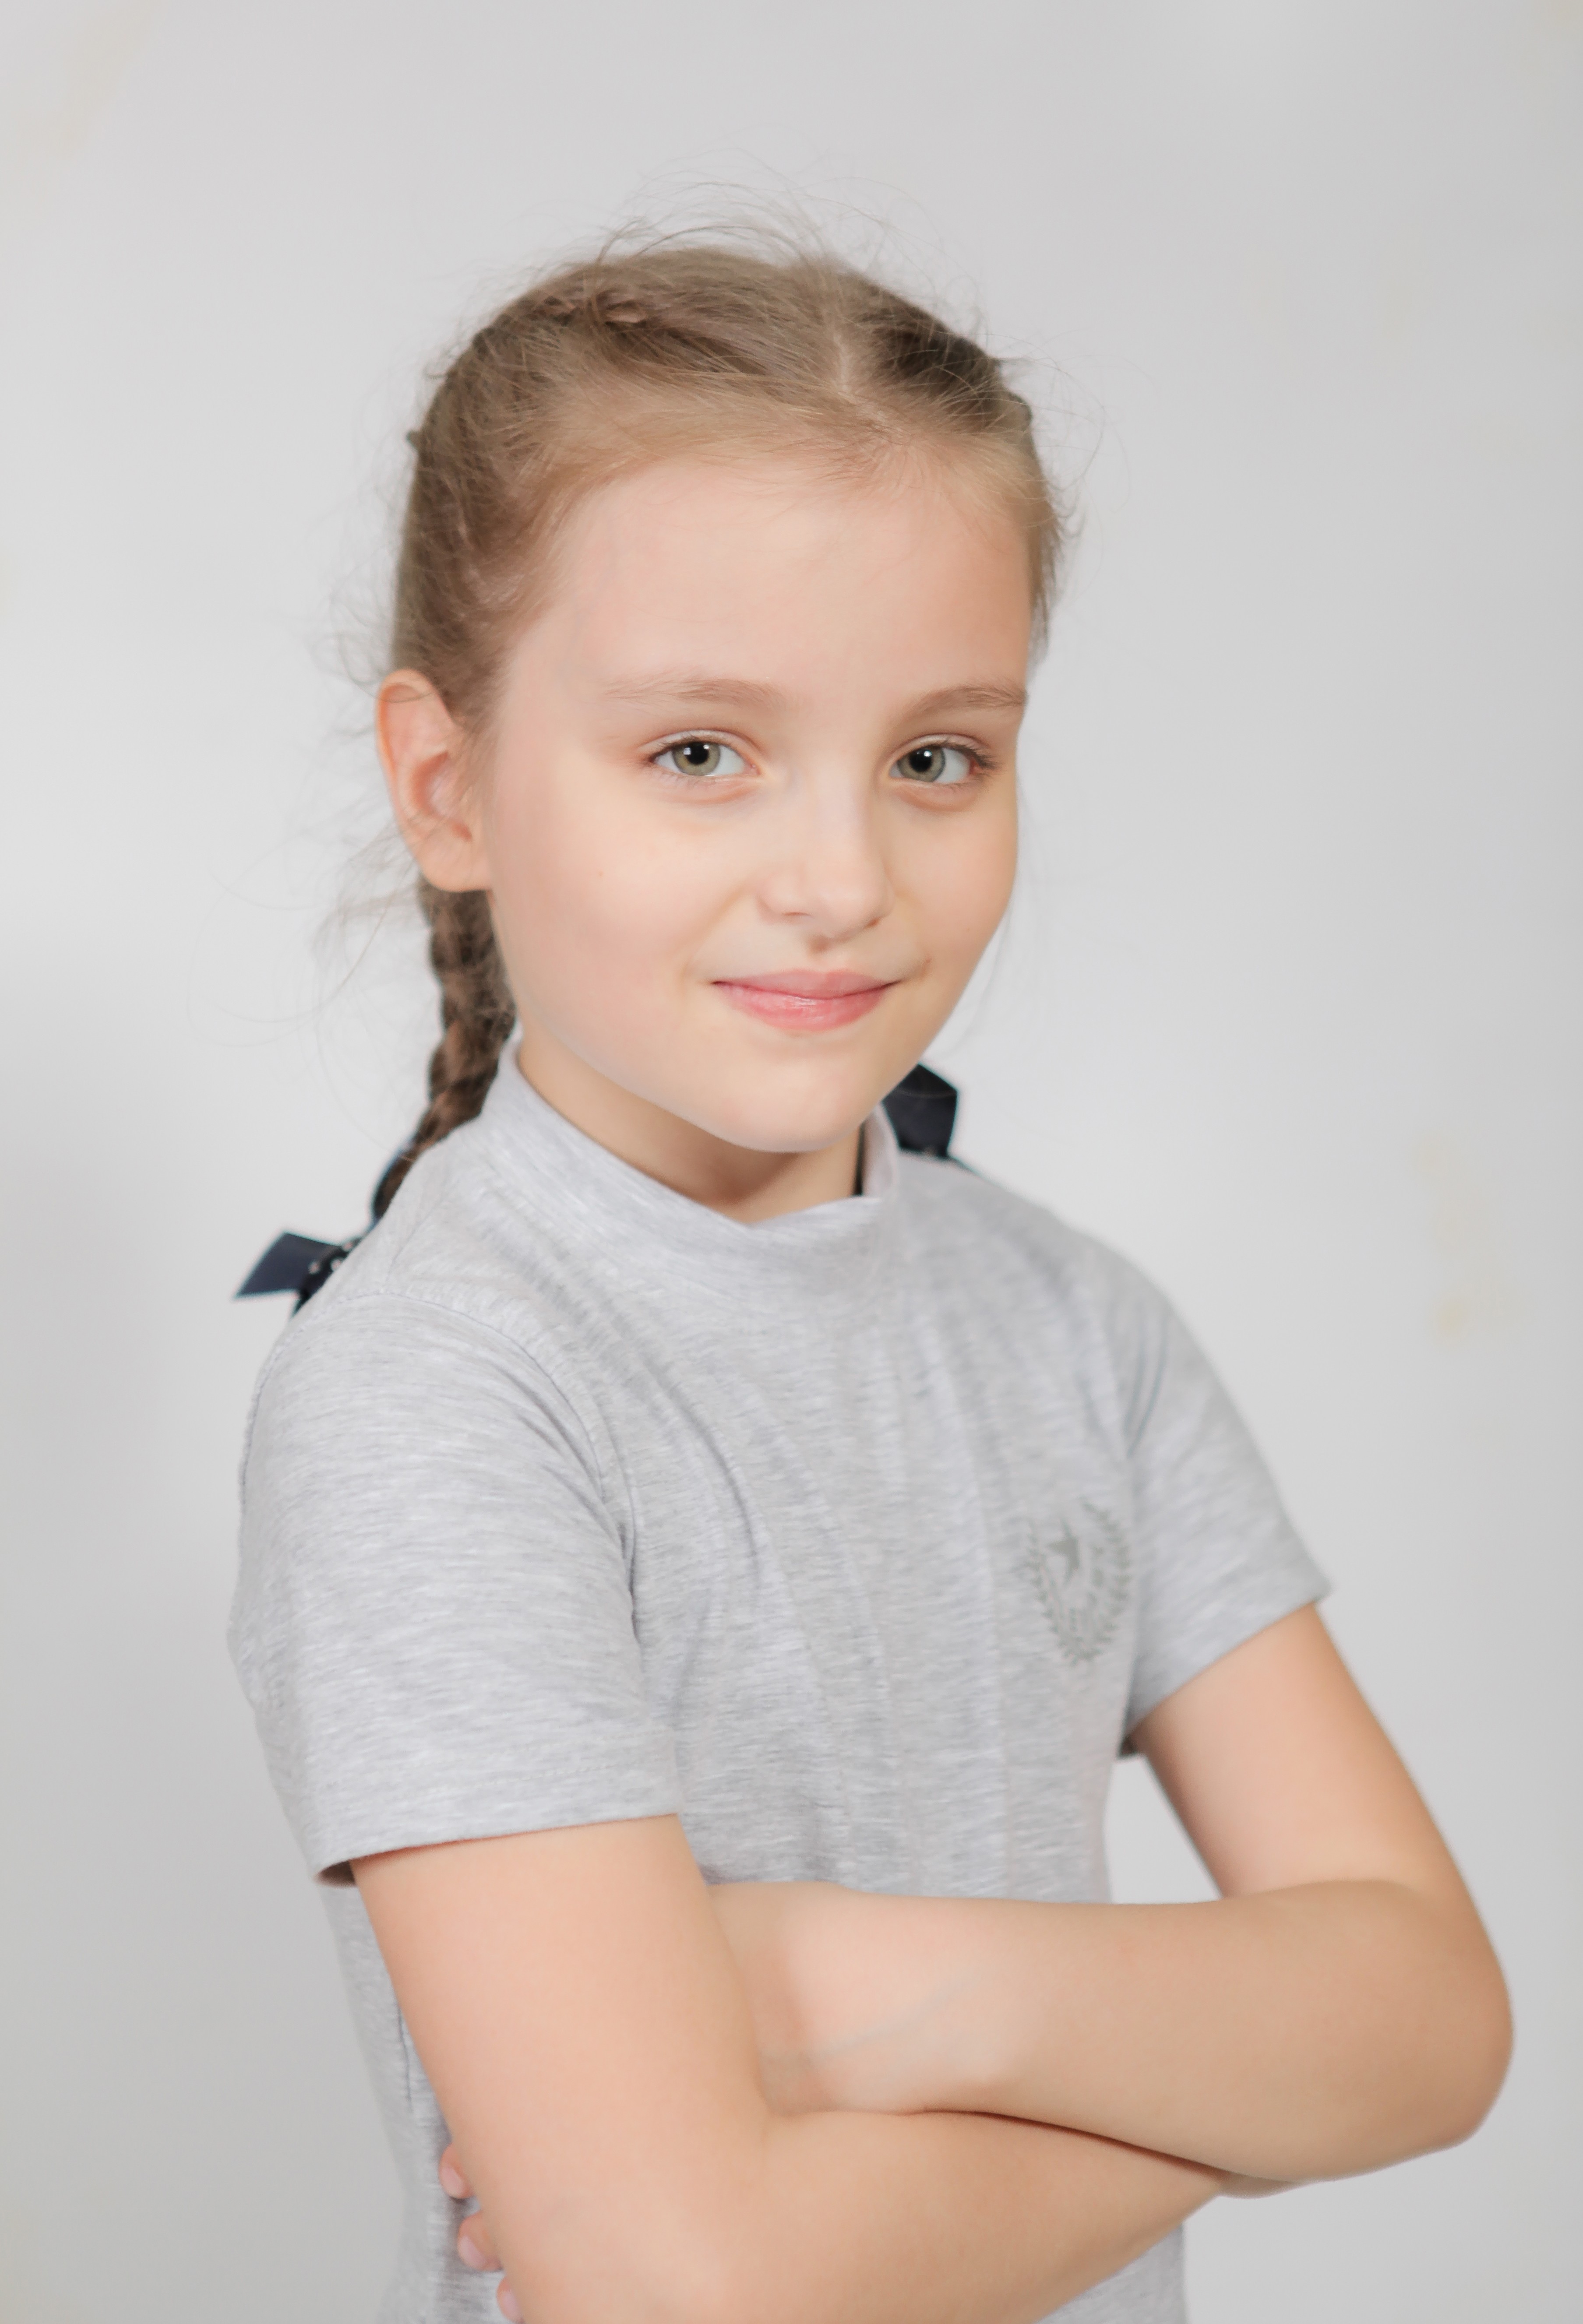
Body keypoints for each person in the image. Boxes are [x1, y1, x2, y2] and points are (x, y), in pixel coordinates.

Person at [229, 237, 1510, 2324]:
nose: (839, 880)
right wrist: (1243, 2084)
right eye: (698, 753)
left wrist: (840, 1991)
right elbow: (684, 2281)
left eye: (936, 758)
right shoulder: (439, 1393)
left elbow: (1434, 2023)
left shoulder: (1078, 1329)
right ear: (446, 787)